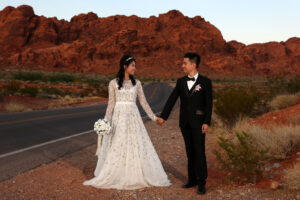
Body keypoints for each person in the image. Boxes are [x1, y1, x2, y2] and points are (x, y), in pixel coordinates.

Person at [83, 55, 171, 190]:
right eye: (133, 65)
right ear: (125, 66)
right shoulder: (112, 83)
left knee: (134, 144)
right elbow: (111, 104)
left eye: (135, 66)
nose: (135, 68)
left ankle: (134, 173)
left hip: (133, 118)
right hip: (118, 118)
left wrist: (154, 118)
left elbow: (144, 103)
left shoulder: (138, 84)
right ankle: (116, 172)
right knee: (118, 143)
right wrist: (105, 122)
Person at [157, 52, 213, 195]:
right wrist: (163, 117)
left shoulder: (205, 82)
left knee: (199, 152)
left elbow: (209, 104)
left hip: (199, 123)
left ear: (193, 65)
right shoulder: (181, 81)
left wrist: (207, 122)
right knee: (189, 151)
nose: (182, 66)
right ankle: (192, 179)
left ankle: (202, 183)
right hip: (185, 123)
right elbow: (172, 99)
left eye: (184, 63)